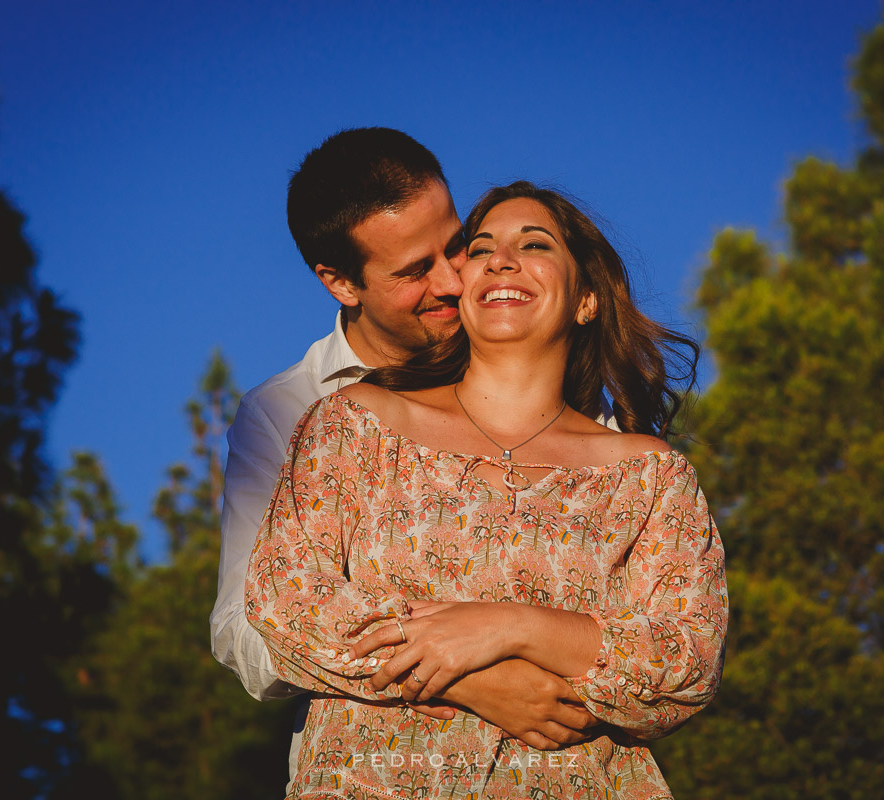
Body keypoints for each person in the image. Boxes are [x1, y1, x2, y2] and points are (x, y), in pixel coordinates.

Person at [247, 181, 728, 799]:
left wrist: (510, 627)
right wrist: (477, 677)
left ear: (585, 299)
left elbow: (682, 662)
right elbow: (284, 602)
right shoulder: (354, 424)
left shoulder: (651, 476)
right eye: (479, 250)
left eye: (535, 244)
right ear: (462, 289)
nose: (502, 260)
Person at [212, 130, 606, 770]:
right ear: (341, 284)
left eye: (456, 246)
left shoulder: (551, 380)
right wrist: (462, 675)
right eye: (415, 271)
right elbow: (247, 635)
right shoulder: (286, 413)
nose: (453, 281)